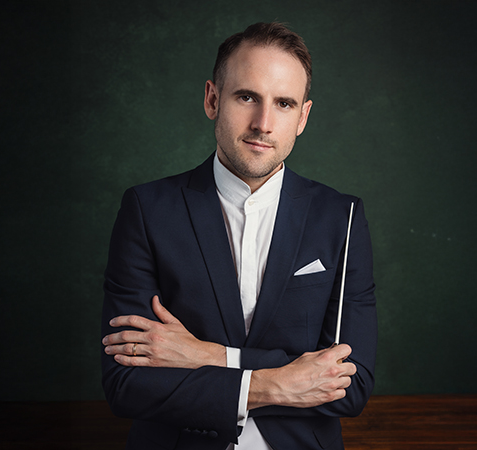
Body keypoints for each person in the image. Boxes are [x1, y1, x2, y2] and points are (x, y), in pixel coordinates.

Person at [101, 22, 377, 450]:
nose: (263, 123)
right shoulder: (147, 209)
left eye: (283, 103)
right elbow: (126, 384)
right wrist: (274, 384)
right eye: (247, 97)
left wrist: (206, 356)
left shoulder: (342, 217)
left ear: (303, 117)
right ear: (212, 99)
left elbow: (350, 386)